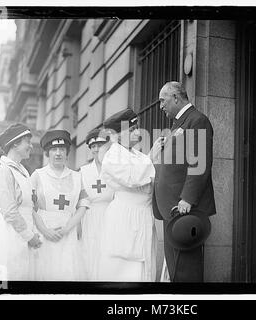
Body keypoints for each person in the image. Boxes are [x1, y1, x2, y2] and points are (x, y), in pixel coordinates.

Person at [151, 81, 216, 282]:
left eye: (163, 101)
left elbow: (200, 164)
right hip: (172, 207)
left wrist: (187, 199)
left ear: (176, 98)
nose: (161, 106)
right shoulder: (179, 123)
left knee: (186, 268)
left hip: (184, 208)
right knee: (176, 268)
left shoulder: (197, 120)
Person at [97, 109, 157, 282]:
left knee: (144, 268)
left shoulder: (137, 154)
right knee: (123, 268)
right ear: (116, 135)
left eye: (137, 128)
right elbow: (133, 177)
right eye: (131, 130)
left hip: (143, 215)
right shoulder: (111, 157)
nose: (137, 133)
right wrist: (152, 155)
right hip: (125, 217)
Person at [31, 130, 89, 281]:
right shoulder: (38, 175)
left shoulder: (77, 177)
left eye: (62, 149)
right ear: (47, 153)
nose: (58, 153)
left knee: (67, 273)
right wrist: (45, 231)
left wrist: (66, 229)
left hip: (68, 232)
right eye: (53, 150)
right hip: (44, 232)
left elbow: (83, 206)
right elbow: (29, 207)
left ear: (67, 152)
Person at [0, 123, 42, 281]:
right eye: (27, 142)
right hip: (9, 236)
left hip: (23, 237)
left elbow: (27, 207)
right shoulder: (4, 171)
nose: (31, 146)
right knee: (6, 281)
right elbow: (9, 211)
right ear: (15, 143)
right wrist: (29, 236)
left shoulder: (22, 171)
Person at [79, 128, 114, 280]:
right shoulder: (84, 171)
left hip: (110, 214)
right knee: (89, 251)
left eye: (99, 145)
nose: (96, 149)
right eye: (93, 146)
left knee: (108, 251)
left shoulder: (113, 168)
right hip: (90, 215)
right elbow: (79, 199)